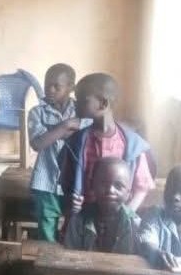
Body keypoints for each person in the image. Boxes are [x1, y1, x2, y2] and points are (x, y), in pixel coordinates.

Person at [55, 158, 142, 275]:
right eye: (103, 183)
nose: (110, 190)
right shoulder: (79, 220)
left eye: (118, 186)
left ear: (129, 192)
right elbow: (69, 260)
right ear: (92, 186)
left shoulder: (135, 226)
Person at [59, 73, 155, 221]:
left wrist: (126, 214)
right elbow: (66, 185)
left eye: (82, 101)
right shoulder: (75, 143)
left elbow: (142, 187)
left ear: (103, 103)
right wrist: (71, 202)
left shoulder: (132, 144)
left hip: (119, 220)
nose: (75, 104)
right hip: (83, 220)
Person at [27, 63, 88, 242]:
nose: (50, 90)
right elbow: (38, 144)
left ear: (71, 88)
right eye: (47, 85)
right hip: (45, 182)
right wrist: (65, 126)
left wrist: (52, 133)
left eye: (57, 86)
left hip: (75, 181)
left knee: (74, 227)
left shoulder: (83, 111)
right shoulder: (37, 113)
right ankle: (48, 266)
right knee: (46, 229)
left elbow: (85, 135)